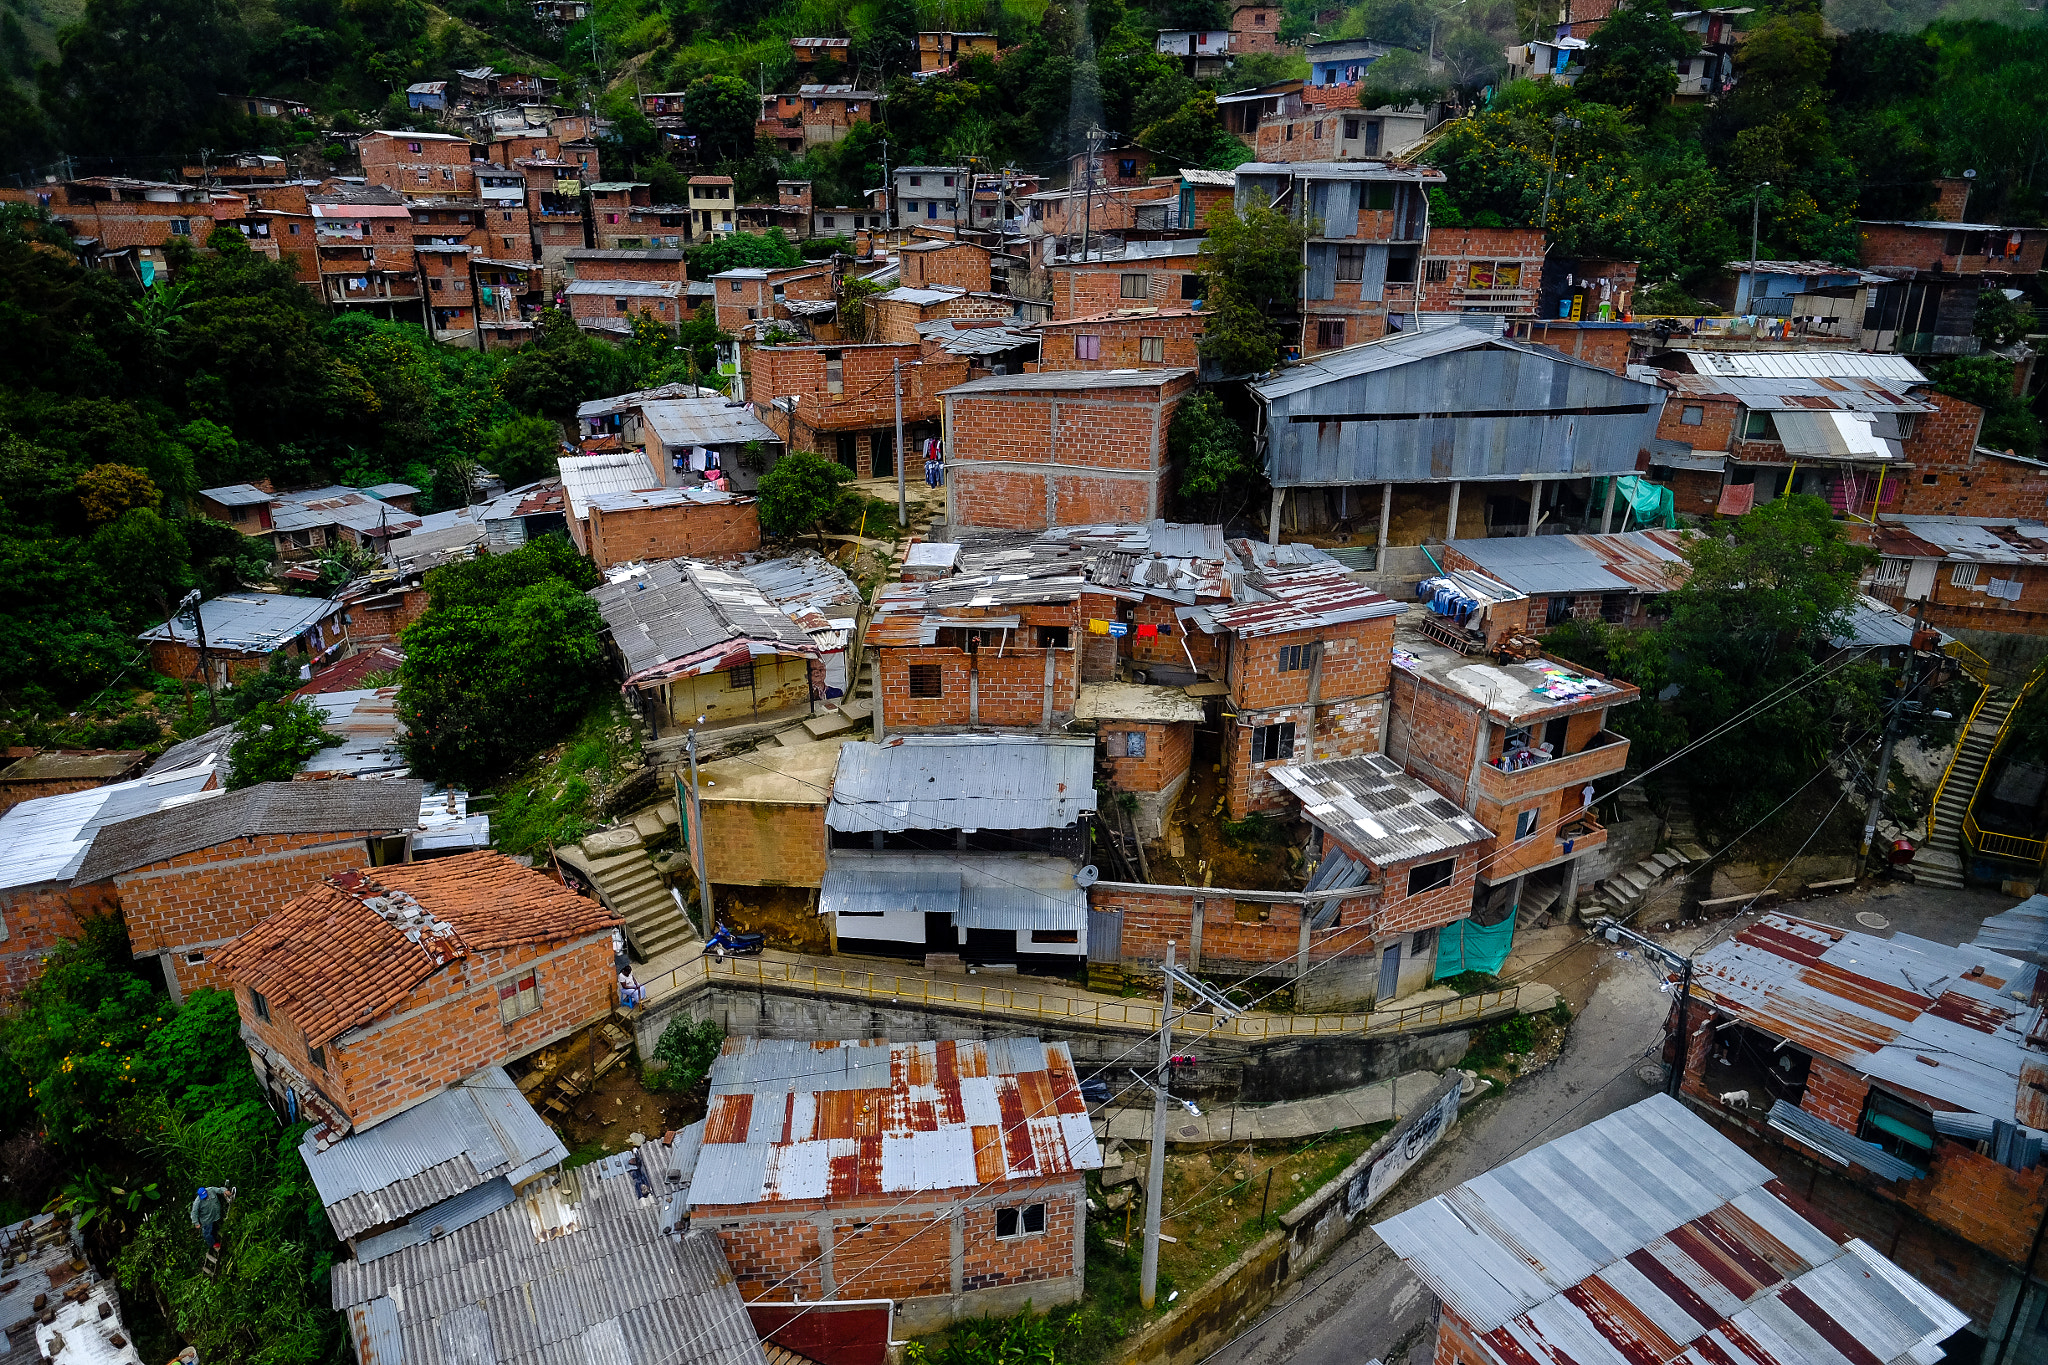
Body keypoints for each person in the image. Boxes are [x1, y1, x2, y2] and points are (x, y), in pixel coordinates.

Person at [191, 1186, 226, 1252]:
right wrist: (196, 1223)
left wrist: (225, 1191)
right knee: (207, 1234)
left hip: (215, 1216)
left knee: (215, 1230)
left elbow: (219, 1190)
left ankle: (218, 1240)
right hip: (206, 1220)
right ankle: (213, 1245)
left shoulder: (211, 1190)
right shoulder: (197, 1202)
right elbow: (194, 1213)